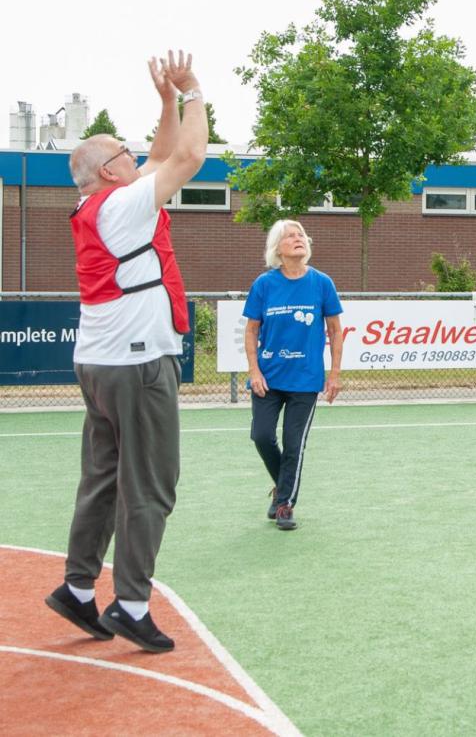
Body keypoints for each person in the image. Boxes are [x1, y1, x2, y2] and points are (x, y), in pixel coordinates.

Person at [45, 50, 207, 652]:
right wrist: (192, 92)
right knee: (152, 485)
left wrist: (164, 102)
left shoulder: (100, 204)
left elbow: (161, 154)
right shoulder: (123, 204)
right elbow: (186, 156)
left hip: (100, 360)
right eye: (123, 154)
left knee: (104, 479)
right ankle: (132, 604)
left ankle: (79, 590)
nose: (136, 158)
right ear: (109, 171)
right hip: (138, 364)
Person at [244, 220, 344, 531]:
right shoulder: (264, 284)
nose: (297, 239)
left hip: (305, 380)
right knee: (261, 436)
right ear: (278, 248)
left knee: (293, 443)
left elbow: (335, 330)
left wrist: (335, 374)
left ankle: (285, 503)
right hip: (268, 378)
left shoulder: (321, 283)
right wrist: (254, 370)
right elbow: (251, 331)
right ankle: (282, 484)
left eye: (300, 235)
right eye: (290, 236)